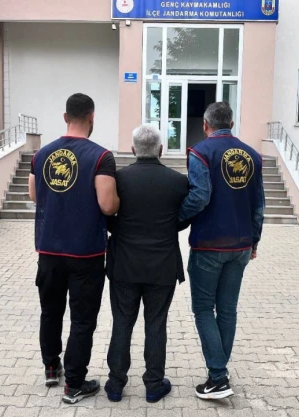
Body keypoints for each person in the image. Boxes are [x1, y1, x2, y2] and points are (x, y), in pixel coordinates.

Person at [28, 93, 119, 405]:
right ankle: (75, 385)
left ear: (65, 117)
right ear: (92, 118)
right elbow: (107, 205)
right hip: (86, 253)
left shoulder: (41, 155)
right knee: (82, 320)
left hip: (48, 251)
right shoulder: (101, 156)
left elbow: (34, 195)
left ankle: (51, 367)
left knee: (50, 311)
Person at [179, 102, 265, 400]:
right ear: (231, 122)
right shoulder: (252, 155)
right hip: (241, 245)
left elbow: (199, 196)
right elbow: (259, 204)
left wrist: (174, 220)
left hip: (208, 244)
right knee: (227, 310)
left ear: (205, 125)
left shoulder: (201, 152)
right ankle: (219, 373)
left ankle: (218, 377)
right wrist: (254, 242)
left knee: (204, 309)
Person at [103, 125, 189, 404]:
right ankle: (153, 385)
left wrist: (119, 228)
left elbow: (105, 213)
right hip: (162, 266)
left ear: (133, 150)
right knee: (156, 324)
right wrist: (169, 227)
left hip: (124, 265)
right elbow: (187, 215)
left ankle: (115, 385)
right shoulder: (178, 182)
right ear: (161, 150)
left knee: (121, 322)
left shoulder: (118, 179)